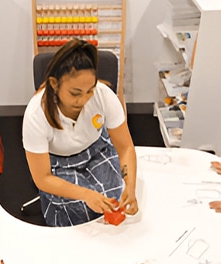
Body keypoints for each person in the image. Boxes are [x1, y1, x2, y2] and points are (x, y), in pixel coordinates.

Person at [22, 38, 138, 227]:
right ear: (54, 84)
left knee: (112, 195)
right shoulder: (36, 114)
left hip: (95, 149)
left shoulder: (104, 95)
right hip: (57, 161)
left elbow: (125, 147)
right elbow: (42, 178)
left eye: (89, 91)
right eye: (75, 93)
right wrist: (86, 194)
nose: (83, 99)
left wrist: (130, 187)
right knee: (82, 205)